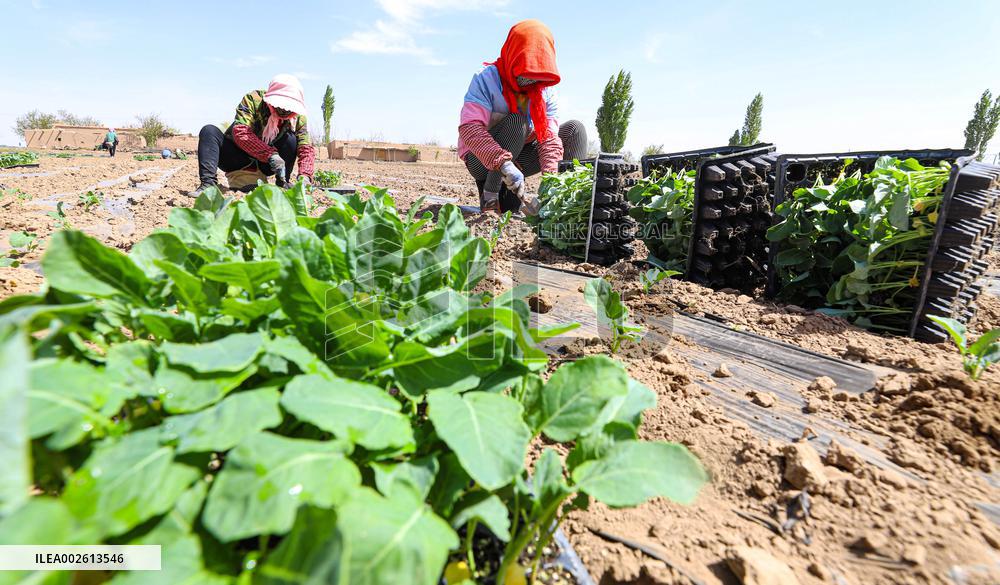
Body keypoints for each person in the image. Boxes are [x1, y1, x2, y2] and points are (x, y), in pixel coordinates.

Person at [457, 19, 587, 214]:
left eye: (536, 76)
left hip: (520, 157)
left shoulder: (544, 90)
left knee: (575, 129)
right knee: (518, 121)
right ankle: (490, 197)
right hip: (482, 161)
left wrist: (551, 182)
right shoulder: (486, 79)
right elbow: (470, 129)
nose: (530, 83)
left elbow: (548, 140)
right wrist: (503, 164)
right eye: (525, 74)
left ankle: (563, 203)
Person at [192, 74, 314, 196]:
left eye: (289, 106)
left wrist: (305, 175)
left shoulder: (298, 117)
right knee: (209, 131)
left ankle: (282, 182)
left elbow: (305, 147)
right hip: (237, 157)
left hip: (267, 166)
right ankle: (208, 185)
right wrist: (270, 154)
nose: (284, 110)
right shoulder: (253, 100)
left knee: (291, 139)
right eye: (280, 105)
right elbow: (240, 132)